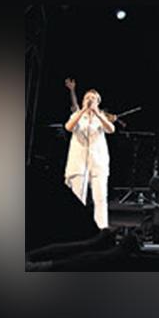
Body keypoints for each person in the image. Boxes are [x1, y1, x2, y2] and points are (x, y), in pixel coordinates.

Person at [64, 89, 116, 229]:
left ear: (98, 102)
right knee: (78, 198)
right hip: (79, 162)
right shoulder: (76, 115)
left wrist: (97, 113)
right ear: (83, 101)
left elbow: (111, 129)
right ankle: (76, 228)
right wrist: (83, 111)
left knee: (100, 198)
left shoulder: (101, 117)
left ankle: (102, 228)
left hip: (98, 162)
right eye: (87, 97)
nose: (90, 100)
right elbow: (68, 127)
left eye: (93, 98)